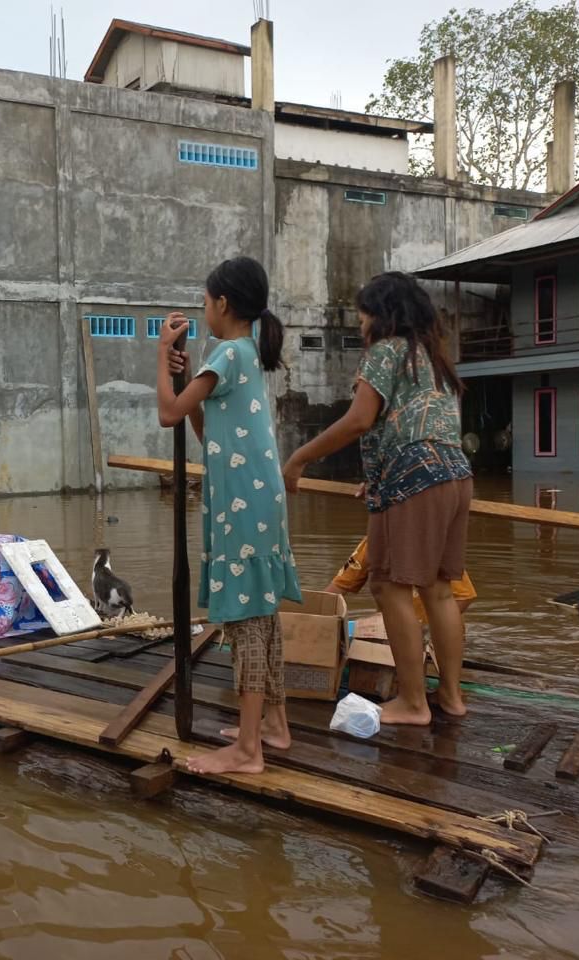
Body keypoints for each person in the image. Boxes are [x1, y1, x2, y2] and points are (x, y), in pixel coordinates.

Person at [282, 272, 472, 725]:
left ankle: (412, 703)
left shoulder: (385, 352)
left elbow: (359, 420)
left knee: (389, 585)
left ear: (382, 316)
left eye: (363, 314)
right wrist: (381, 473)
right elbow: (418, 426)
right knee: (440, 590)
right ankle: (451, 696)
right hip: (455, 475)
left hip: (415, 480)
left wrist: (298, 459)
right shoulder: (433, 358)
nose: (360, 323)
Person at [158, 256, 303, 775]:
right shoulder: (240, 356)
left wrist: (161, 361)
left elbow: (166, 414)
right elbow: (202, 428)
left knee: (246, 621)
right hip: (254, 501)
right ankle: (274, 726)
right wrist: (184, 379)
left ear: (222, 304)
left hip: (245, 506)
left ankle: (247, 750)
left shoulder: (227, 352)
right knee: (261, 615)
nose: (203, 309)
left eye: (205, 301)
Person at [326, 532, 476, 622]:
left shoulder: (434, 547)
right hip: (393, 627)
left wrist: (429, 628)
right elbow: (338, 587)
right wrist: (312, 613)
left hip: (433, 631)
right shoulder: (373, 542)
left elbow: (464, 597)